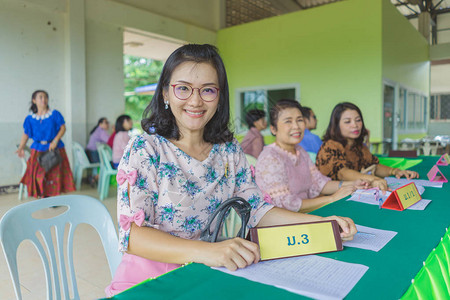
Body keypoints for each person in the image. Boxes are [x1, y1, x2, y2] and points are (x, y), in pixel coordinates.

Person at [105, 44, 357, 296]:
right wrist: (210, 252)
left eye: (208, 90)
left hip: (212, 273)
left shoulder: (228, 150)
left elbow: (257, 209)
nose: (195, 100)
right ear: (165, 94)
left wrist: (321, 224)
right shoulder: (145, 149)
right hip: (153, 281)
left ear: (219, 96)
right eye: (183, 88)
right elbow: (133, 237)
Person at [255, 99, 368, 213]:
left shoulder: (300, 152)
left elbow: (320, 184)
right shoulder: (270, 157)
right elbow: (286, 204)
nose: (296, 126)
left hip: (304, 214)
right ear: (273, 129)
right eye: (288, 121)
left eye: (299, 120)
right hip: (283, 224)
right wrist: (332, 198)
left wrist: (353, 184)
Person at [316, 102, 419, 191]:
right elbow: (342, 173)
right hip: (330, 199)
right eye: (348, 121)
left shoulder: (359, 146)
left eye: (358, 120)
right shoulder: (330, 146)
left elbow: (373, 165)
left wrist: (395, 171)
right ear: (336, 125)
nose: (355, 125)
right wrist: (373, 179)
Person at [15, 90, 75, 198]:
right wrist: (21, 148)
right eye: (41, 97)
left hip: (54, 148)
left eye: (46, 97)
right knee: (38, 175)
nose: (44, 99)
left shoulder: (54, 114)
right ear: (34, 100)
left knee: (54, 175)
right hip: (37, 150)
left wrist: (55, 140)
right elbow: (26, 134)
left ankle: (53, 199)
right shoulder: (30, 119)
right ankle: (42, 195)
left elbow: (63, 128)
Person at [86, 117, 110, 184]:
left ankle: (94, 177)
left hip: (89, 151)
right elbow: (109, 141)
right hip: (93, 152)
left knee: (99, 164)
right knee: (103, 163)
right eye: (106, 123)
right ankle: (96, 177)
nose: (107, 124)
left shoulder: (97, 130)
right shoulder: (101, 131)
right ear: (100, 124)